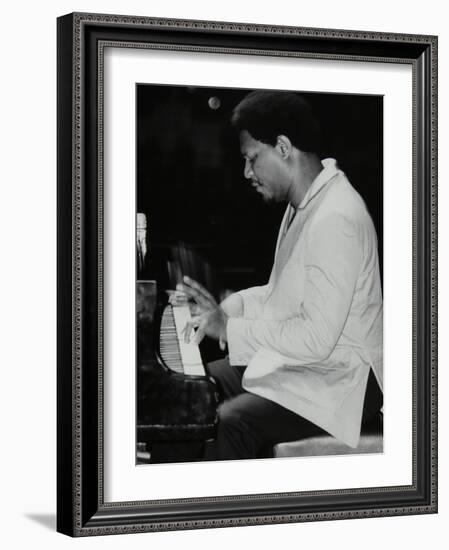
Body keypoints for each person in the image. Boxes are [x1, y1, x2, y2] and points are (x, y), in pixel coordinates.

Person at [179, 90, 383, 460]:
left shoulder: (335, 216)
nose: (247, 173)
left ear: (284, 147)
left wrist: (228, 329)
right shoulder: (304, 204)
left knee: (230, 421)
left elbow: (317, 337)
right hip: (314, 366)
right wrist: (230, 307)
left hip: (342, 383)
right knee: (195, 385)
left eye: (252, 158)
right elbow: (281, 294)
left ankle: (217, 513)